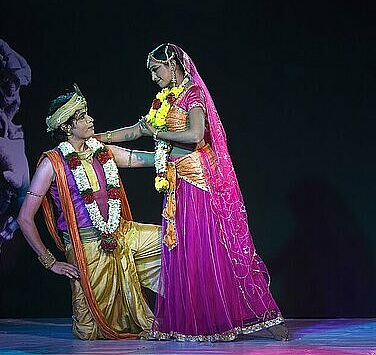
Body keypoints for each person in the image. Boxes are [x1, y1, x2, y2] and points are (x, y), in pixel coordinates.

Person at [96, 44, 289, 341]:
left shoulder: (193, 95)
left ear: (172, 64)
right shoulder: (163, 100)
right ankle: (199, 322)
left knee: (213, 252)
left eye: (155, 70)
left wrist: (156, 134)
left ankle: (264, 317)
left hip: (197, 184)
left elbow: (196, 135)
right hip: (176, 186)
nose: (153, 77)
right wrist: (97, 138)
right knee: (184, 253)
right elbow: (137, 130)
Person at [16, 85, 162, 340]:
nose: (90, 119)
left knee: (173, 238)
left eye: (87, 114)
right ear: (66, 127)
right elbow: (25, 218)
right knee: (89, 331)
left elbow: (140, 158)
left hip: (121, 234)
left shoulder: (102, 152)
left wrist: (180, 156)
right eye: (82, 116)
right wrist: (50, 262)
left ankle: (196, 308)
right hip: (86, 247)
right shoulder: (53, 163)